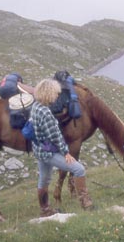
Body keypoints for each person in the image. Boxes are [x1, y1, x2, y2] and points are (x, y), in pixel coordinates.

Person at [30, 78, 93, 216]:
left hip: (40, 150)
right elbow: (55, 136)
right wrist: (66, 153)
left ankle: (45, 210)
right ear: (49, 93)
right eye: (56, 93)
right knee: (79, 169)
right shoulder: (46, 113)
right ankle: (86, 203)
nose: (57, 96)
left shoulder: (36, 106)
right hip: (48, 152)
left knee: (44, 179)